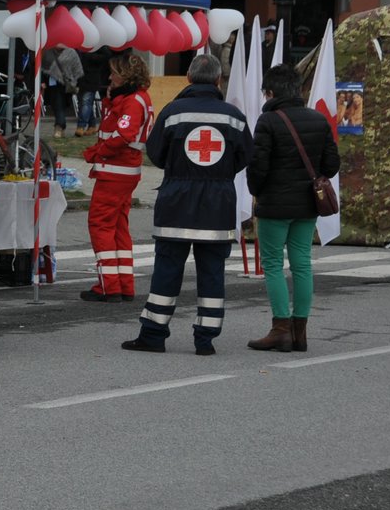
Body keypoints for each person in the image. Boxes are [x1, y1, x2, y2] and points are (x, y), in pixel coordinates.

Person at [122, 53, 254, 355]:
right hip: (218, 203)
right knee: (212, 271)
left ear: (189, 79)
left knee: (167, 269)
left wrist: (180, 168)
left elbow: (155, 152)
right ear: (218, 80)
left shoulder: (173, 112)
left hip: (176, 200)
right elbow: (246, 155)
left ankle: (153, 335)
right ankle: (205, 339)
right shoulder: (233, 116)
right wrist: (218, 174)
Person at [246, 62, 340, 353]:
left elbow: (258, 167)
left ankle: (280, 329)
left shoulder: (268, 121)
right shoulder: (318, 120)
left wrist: (256, 191)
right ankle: (300, 332)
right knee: (301, 264)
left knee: (273, 264)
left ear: (271, 92)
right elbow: (331, 165)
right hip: (307, 205)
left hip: (274, 204)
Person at [81, 52, 154, 302]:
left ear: (126, 75)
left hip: (115, 172)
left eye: (114, 73)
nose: (110, 77)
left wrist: (96, 152)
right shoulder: (133, 98)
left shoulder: (133, 101)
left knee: (100, 225)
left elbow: (123, 135)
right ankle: (123, 284)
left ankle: (108, 286)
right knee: (118, 227)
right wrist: (110, 101)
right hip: (123, 173)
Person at [45, 43, 82, 136]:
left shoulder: (71, 52)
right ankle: (60, 126)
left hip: (66, 84)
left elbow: (77, 68)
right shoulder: (49, 52)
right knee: (58, 105)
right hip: (54, 83)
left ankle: (60, 127)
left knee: (61, 105)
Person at [75, 49, 111, 136]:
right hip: (80, 79)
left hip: (91, 79)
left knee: (86, 102)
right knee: (83, 103)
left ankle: (81, 126)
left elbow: (106, 56)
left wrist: (90, 56)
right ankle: (92, 126)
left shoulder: (98, 46)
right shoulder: (79, 47)